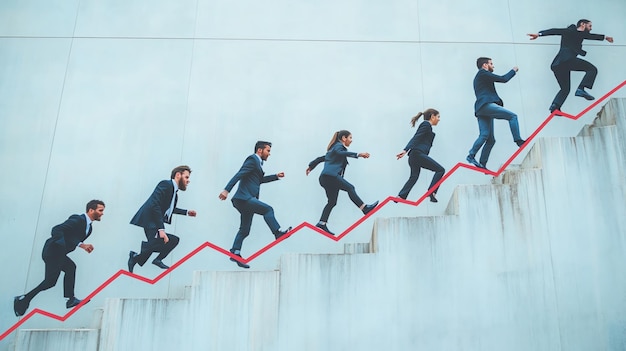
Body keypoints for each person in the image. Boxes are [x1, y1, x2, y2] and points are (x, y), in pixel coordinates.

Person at [13, 200, 105, 317]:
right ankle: (24, 300)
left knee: (61, 275)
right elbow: (57, 229)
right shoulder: (78, 219)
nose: (102, 213)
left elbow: (71, 237)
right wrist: (80, 244)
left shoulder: (89, 228)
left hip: (59, 254)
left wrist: (80, 245)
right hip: (53, 251)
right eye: (100, 210)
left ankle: (26, 300)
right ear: (91, 210)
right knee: (53, 280)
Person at [219, 141, 292, 269]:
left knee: (245, 230)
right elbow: (239, 174)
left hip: (245, 199)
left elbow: (259, 180)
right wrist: (226, 190)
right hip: (243, 197)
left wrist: (276, 176)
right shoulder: (252, 159)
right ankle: (277, 232)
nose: (269, 154)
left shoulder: (258, 163)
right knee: (268, 209)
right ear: (260, 150)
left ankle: (235, 253)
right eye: (268, 151)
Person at [527, 19, 614, 112]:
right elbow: (555, 31)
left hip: (558, 65)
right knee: (592, 69)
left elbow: (590, 36)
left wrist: (605, 37)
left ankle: (555, 106)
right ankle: (581, 88)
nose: (591, 28)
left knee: (565, 89)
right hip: (566, 60)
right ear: (583, 24)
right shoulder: (570, 31)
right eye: (590, 26)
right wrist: (539, 34)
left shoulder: (581, 34)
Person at [306, 130, 379, 235]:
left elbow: (320, 158)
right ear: (344, 138)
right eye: (350, 138)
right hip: (330, 176)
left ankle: (322, 222)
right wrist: (358, 154)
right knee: (350, 188)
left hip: (325, 178)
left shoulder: (332, 149)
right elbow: (341, 153)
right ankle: (364, 208)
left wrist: (310, 166)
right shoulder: (338, 146)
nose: (351, 140)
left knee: (332, 202)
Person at [127, 165, 197, 273]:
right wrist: (161, 229)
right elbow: (155, 205)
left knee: (172, 240)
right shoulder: (165, 184)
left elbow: (169, 208)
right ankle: (137, 257)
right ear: (178, 175)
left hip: (154, 220)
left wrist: (187, 212)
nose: (188, 181)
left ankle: (142, 257)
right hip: (150, 220)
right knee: (160, 241)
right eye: (186, 177)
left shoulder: (174, 193)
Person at [466, 57, 526, 170]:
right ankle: (519, 141)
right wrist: (513, 70)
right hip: (486, 105)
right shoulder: (483, 73)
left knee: (488, 138)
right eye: (491, 64)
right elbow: (503, 79)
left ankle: (476, 160)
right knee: (513, 116)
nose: (493, 66)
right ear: (484, 65)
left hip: (481, 109)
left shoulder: (480, 76)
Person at [396, 109, 445, 203]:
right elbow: (416, 137)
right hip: (417, 154)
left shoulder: (428, 127)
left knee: (414, 176)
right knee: (440, 170)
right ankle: (432, 192)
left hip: (414, 156)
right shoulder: (426, 124)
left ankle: (401, 196)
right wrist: (405, 150)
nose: (439, 119)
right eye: (438, 117)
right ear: (432, 116)